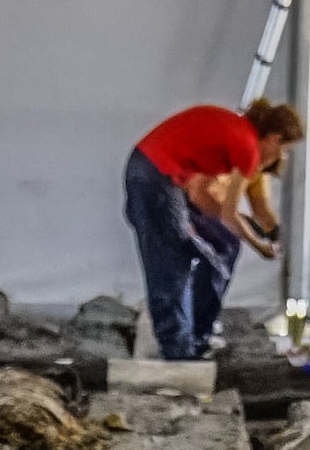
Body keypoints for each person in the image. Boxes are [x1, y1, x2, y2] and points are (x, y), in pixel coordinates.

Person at [124, 98, 299, 363]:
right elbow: (228, 214)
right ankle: (179, 353)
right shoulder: (248, 147)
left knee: (195, 257)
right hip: (158, 176)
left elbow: (253, 207)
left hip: (152, 172)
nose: (282, 156)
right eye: (284, 149)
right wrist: (260, 245)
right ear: (274, 139)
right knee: (171, 263)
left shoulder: (237, 132)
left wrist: (271, 232)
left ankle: (191, 339)